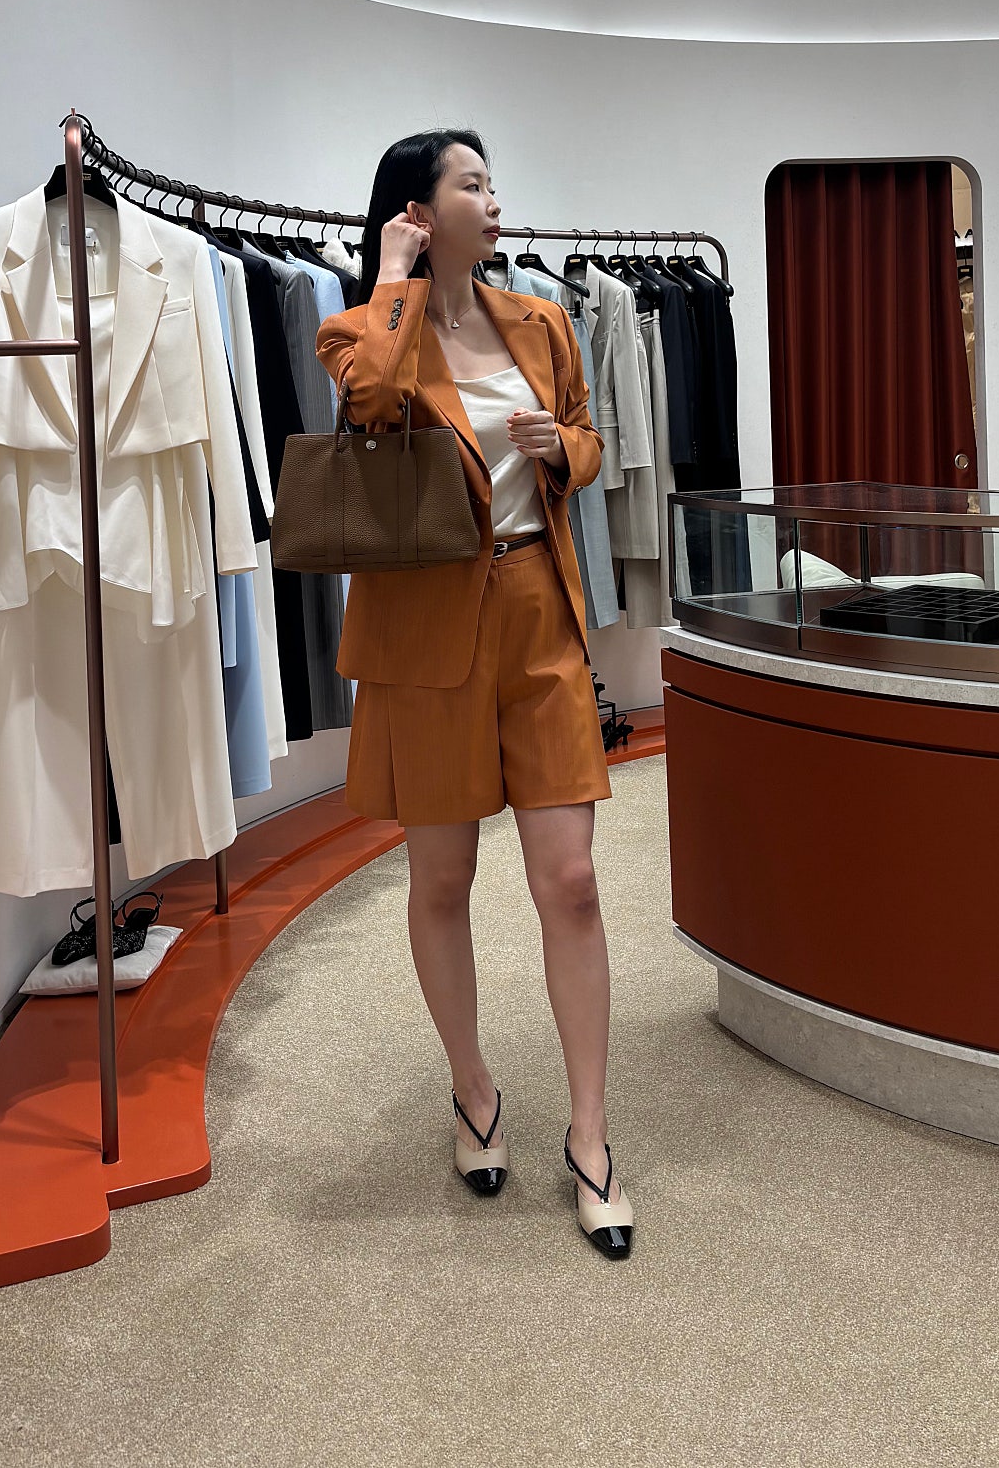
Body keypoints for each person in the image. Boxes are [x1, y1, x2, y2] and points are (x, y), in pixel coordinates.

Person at [315, 129, 635, 1259]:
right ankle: (474, 1089)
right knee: (442, 878)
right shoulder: (360, 324)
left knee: (573, 882)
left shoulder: (540, 321)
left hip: (537, 608)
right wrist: (394, 279)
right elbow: (371, 404)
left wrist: (560, 449)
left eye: (494, 184)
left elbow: (591, 441)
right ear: (418, 208)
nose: (495, 202)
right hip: (425, 629)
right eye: (473, 184)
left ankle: (591, 1134)